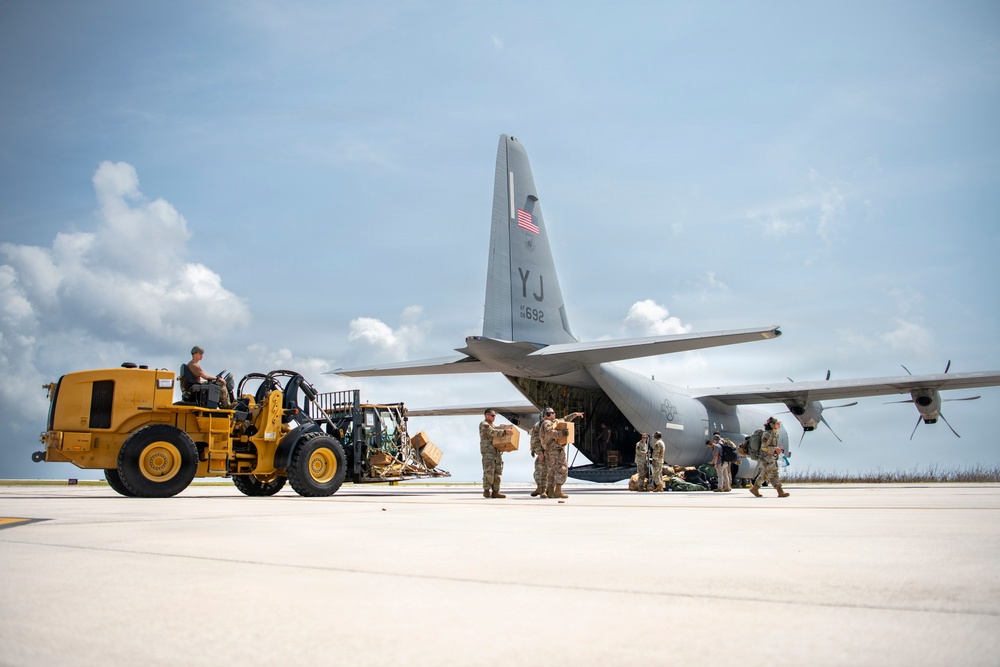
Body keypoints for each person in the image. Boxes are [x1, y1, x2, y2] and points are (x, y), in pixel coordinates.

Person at [540, 407, 584, 499]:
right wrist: (562, 433)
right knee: (562, 468)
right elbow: (549, 433)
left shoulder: (554, 422)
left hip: (551, 450)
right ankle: (558, 491)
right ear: (547, 414)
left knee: (551, 470)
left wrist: (575, 414)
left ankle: (551, 491)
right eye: (552, 413)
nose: (554, 414)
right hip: (555, 450)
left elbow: (565, 419)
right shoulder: (547, 423)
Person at [750, 416, 789, 497]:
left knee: (765, 474)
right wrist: (775, 449)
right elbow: (763, 447)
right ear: (772, 424)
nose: (779, 425)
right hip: (766, 458)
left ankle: (755, 488)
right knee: (774, 473)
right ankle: (780, 491)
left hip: (771, 457)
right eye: (777, 423)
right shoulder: (767, 434)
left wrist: (776, 450)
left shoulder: (775, 434)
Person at [479, 408, 513, 499]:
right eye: (492, 415)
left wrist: (506, 446)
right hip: (488, 452)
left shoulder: (493, 425)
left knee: (497, 472)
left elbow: (498, 440)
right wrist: (505, 431)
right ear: (486, 415)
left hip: (496, 451)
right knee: (489, 471)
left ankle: (495, 492)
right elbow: (492, 432)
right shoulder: (484, 425)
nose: (494, 417)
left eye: (495, 416)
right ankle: (486, 491)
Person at [529, 420, 547, 498]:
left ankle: (545, 489)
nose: (554, 414)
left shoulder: (554, 424)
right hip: (543, 452)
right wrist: (539, 452)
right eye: (551, 413)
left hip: (552, 452)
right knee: (540, 471)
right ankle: (541, 489)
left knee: (547, 472)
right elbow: (535, 439)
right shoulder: (539, 425)